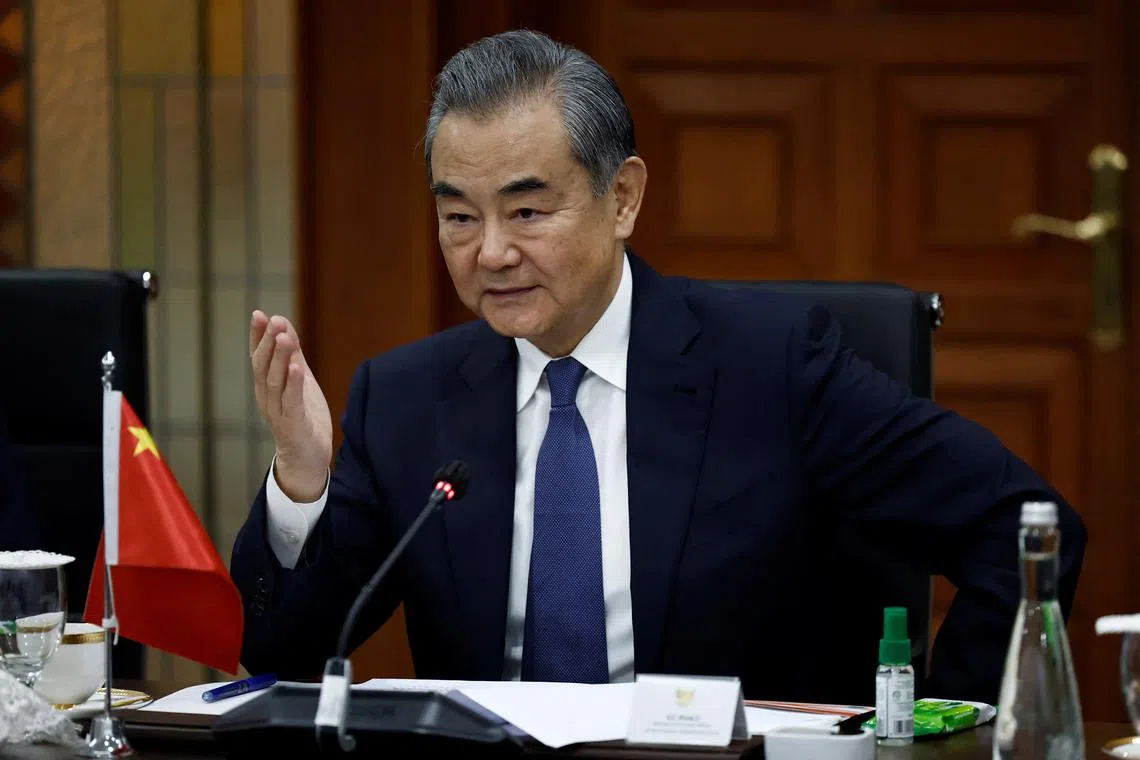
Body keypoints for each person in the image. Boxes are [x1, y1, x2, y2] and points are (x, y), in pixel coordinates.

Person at [230, 29, 1085, 706]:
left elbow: (1027, 531)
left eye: (527, 209)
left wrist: (936, 731)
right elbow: (282, 657)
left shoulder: (773, 368)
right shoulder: (406, 397)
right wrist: (303, 484)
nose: (490, 252)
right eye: (459, 217)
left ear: (624, 197)